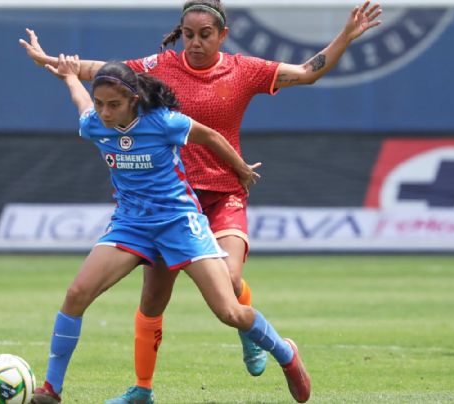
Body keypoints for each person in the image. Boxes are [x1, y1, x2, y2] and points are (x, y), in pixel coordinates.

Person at [20, 1, 382, 402]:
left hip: (212, 197)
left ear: (222, 34)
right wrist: (49, 61)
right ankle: (130, 389)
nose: (194, 43)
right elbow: (100, 74)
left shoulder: (242, 71)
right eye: (187, 34)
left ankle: (265, 341)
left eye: (204, 34)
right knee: (148, 299)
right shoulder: (152, 71)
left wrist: (345, 36)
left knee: (228, 290)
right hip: (151, 209)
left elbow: (305, 73)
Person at [29, 55, 310, 404]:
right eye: (101, 103)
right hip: (131, 225)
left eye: (113, 104)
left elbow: (208, 136)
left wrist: (240, 169)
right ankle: (50, 391)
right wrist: (70, 77)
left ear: (133, 100)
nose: (104, 112)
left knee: (229, 312)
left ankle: (286, 355)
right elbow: (82, 103)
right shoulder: (94, 124)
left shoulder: (163, 122)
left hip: (180, 222)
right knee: (75, 296)